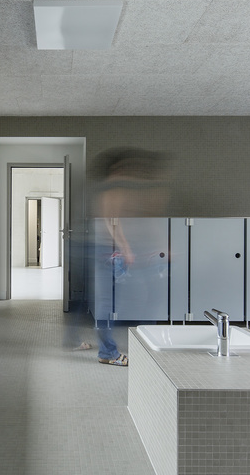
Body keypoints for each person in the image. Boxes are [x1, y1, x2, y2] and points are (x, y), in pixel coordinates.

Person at [88, 147, 173, 366]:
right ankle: (108, 352)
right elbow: (111, 221)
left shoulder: (129, 191)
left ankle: (143, 346)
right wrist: (125, 247)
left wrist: (163, 246)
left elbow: (149, 222)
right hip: (111, 254)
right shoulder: (113, 191)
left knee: (145, 298)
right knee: (109, 304)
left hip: (131, 253)